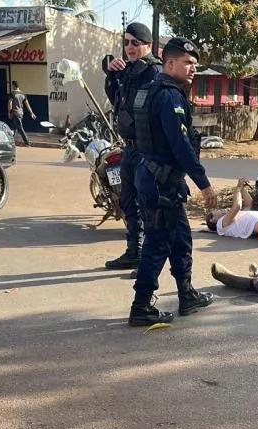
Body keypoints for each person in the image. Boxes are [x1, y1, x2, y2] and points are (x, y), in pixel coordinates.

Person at [128, 37, 218, 326]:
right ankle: (141, 307)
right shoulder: (169, 96)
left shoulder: (152, 90)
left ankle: (186, 295)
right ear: (169, 64)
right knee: (157, 244)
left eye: (195, 63)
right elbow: (181, 146)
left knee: (180, 240)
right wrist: (204, 184)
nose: (193, 68)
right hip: (160, 183)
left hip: (160, 180)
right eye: (187, 62)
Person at [102, 22, 163, 271]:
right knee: (128, 203)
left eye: (135, 43)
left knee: (148, 205)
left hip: (147, 150)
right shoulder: (128, 70)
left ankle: (149, 260)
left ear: (148, 44)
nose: (129, 47)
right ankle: (133, 251)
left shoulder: (154, 72)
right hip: (128, 148)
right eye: (126, 42)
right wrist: (111, 74)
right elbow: (117, 101)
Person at [7, 81, 36, 146]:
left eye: (12, 85)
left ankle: (27, 142)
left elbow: (10, 103)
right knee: (14, 127)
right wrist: (31, 113)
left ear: (13, 85)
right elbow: (27, 104)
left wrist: (9, 112)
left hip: (15, 112)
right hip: (21, 113)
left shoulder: (13, 93)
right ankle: (10, 141)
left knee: (19, 127)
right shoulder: (23, 94)